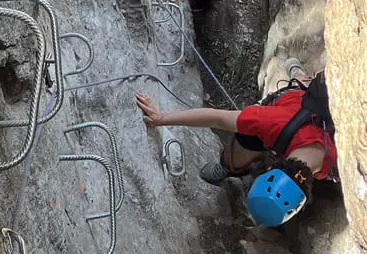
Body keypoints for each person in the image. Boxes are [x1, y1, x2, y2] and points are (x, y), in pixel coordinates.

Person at [135, 68, 337, 227]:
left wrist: (161, 119)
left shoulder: (341, 159)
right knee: (247, 139)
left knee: (303, 83)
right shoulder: (269, 121)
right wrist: (161, 119)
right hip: (291, 107)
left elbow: (217, 118)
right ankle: (228, 166)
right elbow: (218, 117)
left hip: (301, 111)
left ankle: (296, 69)